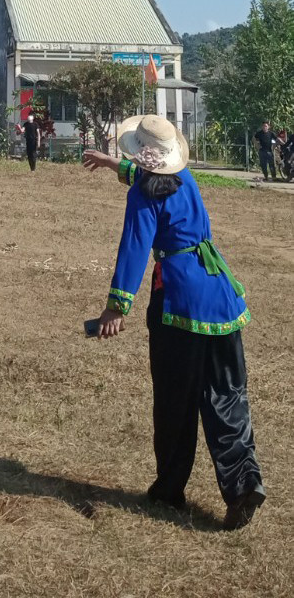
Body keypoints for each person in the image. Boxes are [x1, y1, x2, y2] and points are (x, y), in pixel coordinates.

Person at [83, 115, 265, 531]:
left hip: (179, 302)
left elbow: (134, 247)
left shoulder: (144, 195)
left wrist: (116, 308)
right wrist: (113, 165)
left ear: (141, 154)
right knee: (227, 394)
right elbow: (149, 177)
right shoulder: (185, 180)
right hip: (221, 295)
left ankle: (169, 491)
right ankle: (244, 485)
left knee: (175, 401)